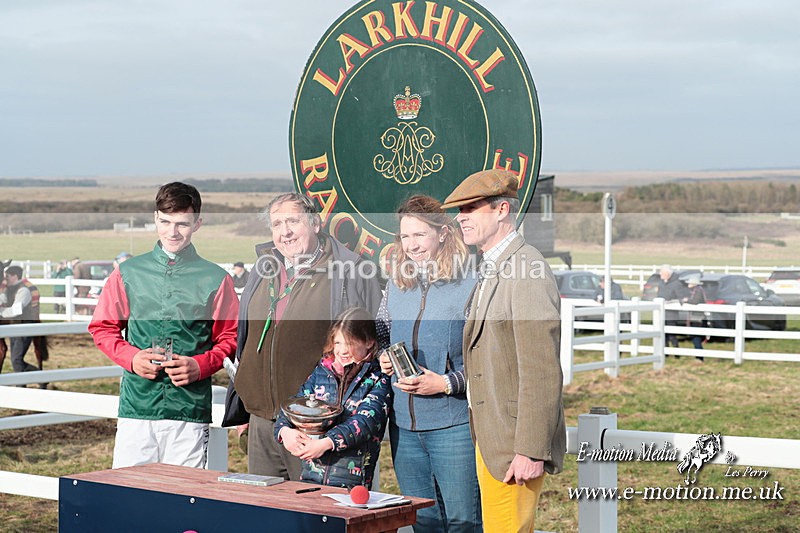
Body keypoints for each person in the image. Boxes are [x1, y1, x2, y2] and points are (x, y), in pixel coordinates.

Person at [442, 169, 566, 532]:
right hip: (492, 439)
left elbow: (541, 370)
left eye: (471, 208)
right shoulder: (494, 266)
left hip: (514, 447)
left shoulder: (527, 269)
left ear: (502, 210)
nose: (461, 218)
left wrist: (530, 449)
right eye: (459, 210)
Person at [230, 192, 381, 480]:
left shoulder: (350, 271)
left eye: (293, 221)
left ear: (315, 224)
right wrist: (246, 404)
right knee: (265, 505)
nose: (284, 232)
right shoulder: (263, 269)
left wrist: (337, 425)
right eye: (277, 224)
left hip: (319, 425)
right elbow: (247, 339)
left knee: (315, 506)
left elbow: (375, 343)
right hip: (262, 421)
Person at [88, 182, 239, 469]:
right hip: (137, 406)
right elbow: (102, 328)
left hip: (189, 410)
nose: (173, 232)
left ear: (197, 224)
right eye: (166, 222)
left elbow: (231, 337)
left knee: (183, 494)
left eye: (182, 223)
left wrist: (200, 365)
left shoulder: (217, 279)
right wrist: (132, 358)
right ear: (155, 218)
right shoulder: (128, 273)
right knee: (129, 489)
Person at [376, 195, 482, 532]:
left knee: (463, 523)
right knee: (423, 522)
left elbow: (488, 360)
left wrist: (446, 383)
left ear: (443, 233)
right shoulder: (396, 284)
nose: (412, 245)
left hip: (454, 427)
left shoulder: (472, 285)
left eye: (420, 234)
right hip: (403, 429)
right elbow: (382, 334)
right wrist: (384, 357)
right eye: (405, 236)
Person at [275, 307, 390, 489]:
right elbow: (296, 404)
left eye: (349, 343)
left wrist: (327, 443)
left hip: (351, 483)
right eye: (337, 343)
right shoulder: (321, 372)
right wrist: (284, 431)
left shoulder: (378, 378)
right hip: (310, 477)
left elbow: (366, 422)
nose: (342, 350)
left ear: (369, 342)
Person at [0, 265, 44, 375]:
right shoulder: (9, 289)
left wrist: (1, 311)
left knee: (16, 361)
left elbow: (16, 310)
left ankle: (41, 377)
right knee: (16, 361)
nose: (5, 279)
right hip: (15, 328)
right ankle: (39, 378)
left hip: (24, 327)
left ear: (14, 276)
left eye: (7, 276)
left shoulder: (23, 290)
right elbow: (3, 299)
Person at [657, 265, 689, 350]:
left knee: (671, 333)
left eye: (662, 273)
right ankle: (665, 351)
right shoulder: (661, 283)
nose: (660, 274)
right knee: (662, 334)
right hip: (661, 312)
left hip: (671, 314)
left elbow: (681, 298)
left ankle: (676, 351)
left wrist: (670, 302)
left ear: (667, 274)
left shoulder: (676, 284)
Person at [681, 273, 707, 360]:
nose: (688, 284)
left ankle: (699, 357)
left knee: (695, 337)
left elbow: (695, 301)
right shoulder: (696, 290)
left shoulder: (698, 290)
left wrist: (687, 300)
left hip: (698, 318)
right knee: (695, 337)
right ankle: (698, 356)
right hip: (696, 317)